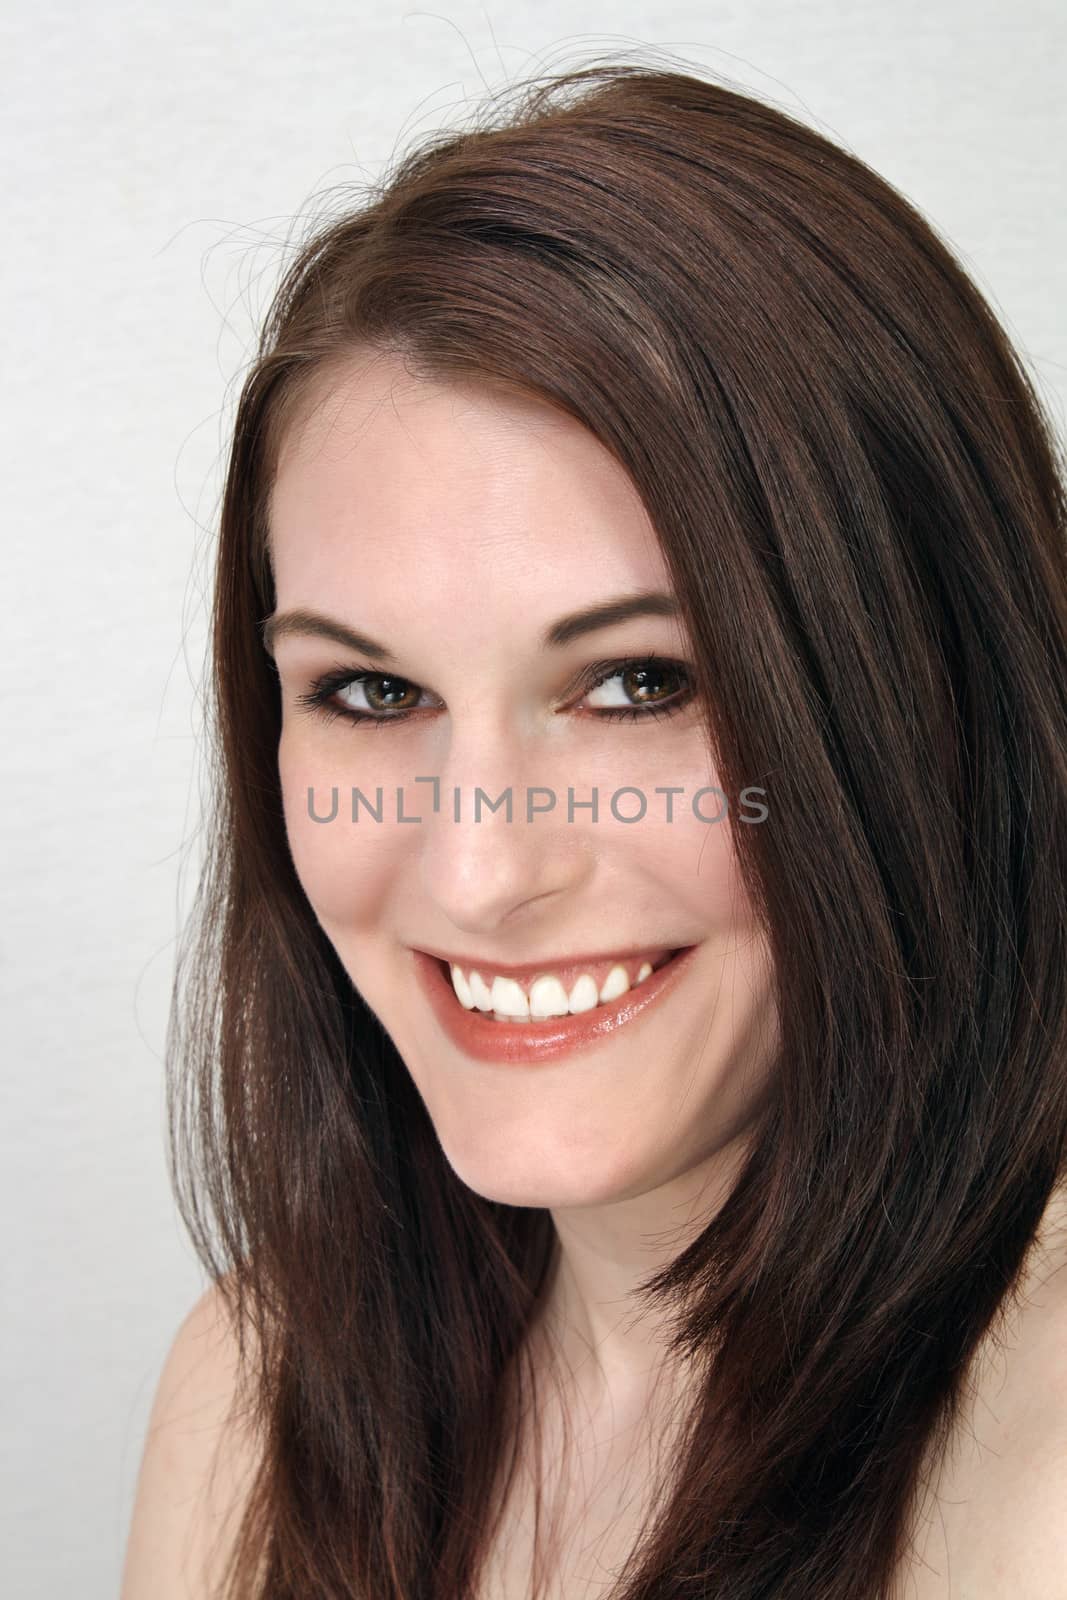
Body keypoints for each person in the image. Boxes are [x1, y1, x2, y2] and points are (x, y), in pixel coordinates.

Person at [120, 56, 1067, 1600]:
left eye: (641, 682)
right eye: (368, 690)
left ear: (929, 694)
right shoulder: (250, 1396)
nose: (481, 871)